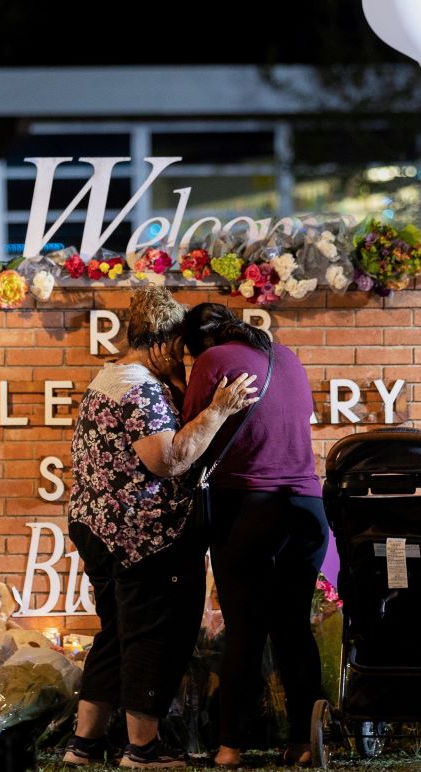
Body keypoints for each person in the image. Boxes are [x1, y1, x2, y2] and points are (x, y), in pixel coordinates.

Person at [64, 286, 257, 769]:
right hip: (140, 535)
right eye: (179, 345)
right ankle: (142, 750)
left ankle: (83, 745)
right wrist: (219, 409)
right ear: (161, 339)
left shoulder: (108, 378)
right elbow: (167, 459)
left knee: (115, 634)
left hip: (98, 528)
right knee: (153, 635)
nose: (186, 356)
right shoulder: (141, 388)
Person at [182, 303, 329, 768]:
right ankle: (306, 742)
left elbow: (191, 434)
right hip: (307, 507)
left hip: (247, 507)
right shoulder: (285, 356)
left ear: (198, 343)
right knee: (293, 628)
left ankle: (230, 746)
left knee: (245, 630)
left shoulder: (212, 360)